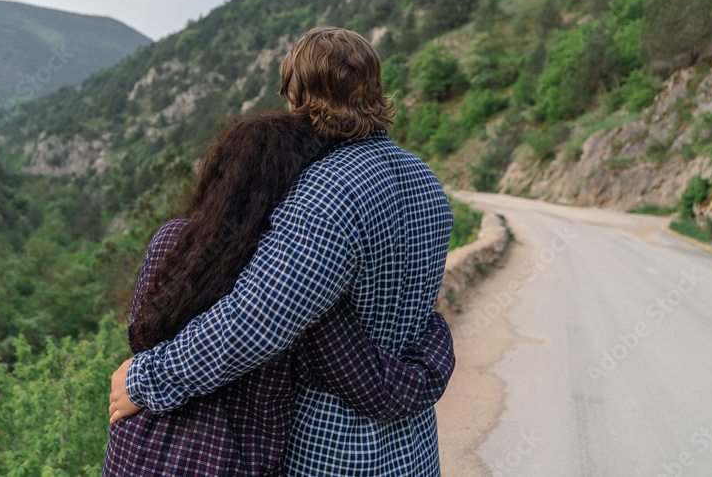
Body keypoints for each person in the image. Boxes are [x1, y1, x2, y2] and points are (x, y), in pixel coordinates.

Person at [110, 27, 454, 475]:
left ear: (296, 94)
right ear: (373, 89)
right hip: (414, 449)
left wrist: (146, 379)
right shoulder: (426, 181)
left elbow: (255, 319)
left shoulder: (326, 191)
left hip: (331, 450)